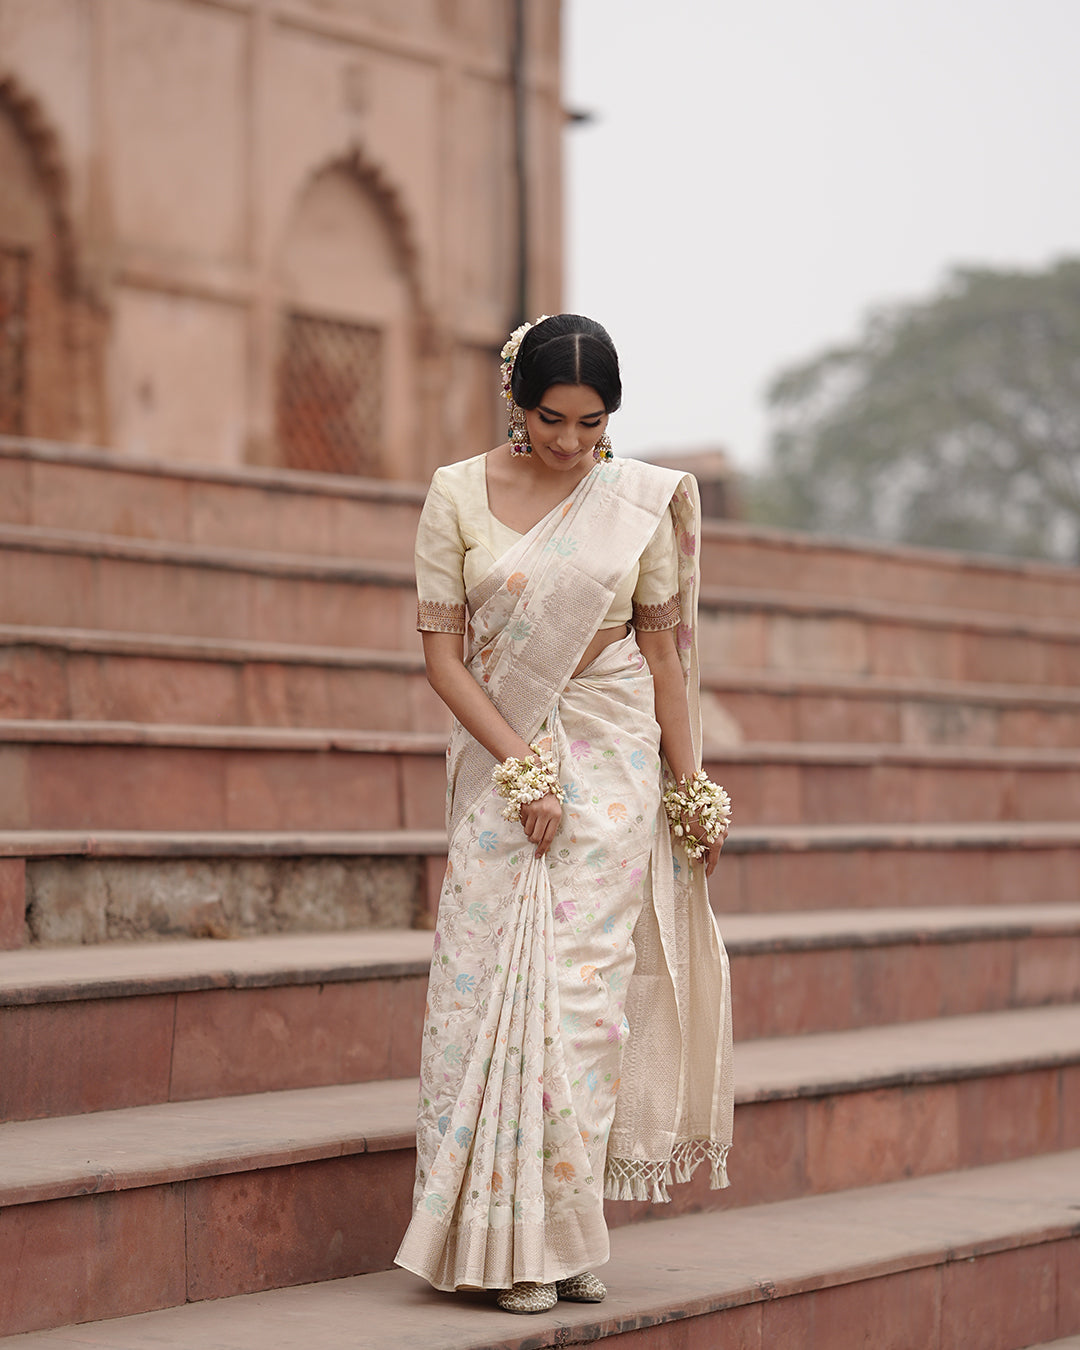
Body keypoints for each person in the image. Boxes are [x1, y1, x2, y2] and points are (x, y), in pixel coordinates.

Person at [395, 314, 734, 1315]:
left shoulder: (634, 503)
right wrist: (524, 766)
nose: (572, 445)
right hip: (509, 750)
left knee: (584, 1010)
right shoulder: (457, 494)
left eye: (593, 426)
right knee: (484, 988)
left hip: (618, 753)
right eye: (553, 420)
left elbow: (666, 654)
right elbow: (442, 659)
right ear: (519, 402)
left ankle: (566, 1233)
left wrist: (690, 786)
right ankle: (494, 1238)